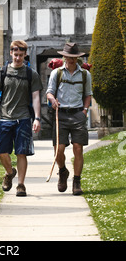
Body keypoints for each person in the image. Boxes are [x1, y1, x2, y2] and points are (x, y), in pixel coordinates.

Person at [0, 40, 42, 197]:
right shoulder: (2, 73)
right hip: (4, 119)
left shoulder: (31, 74)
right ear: (11, 53)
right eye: (15, 55)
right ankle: (10, 172)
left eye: (21, 55)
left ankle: (21, 185)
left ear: (25, 55)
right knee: (2, 152)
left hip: (23, 119)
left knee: (21, 153)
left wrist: (37, 118)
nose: (18, 58)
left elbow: (36, 97)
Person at [46, 42, 93, 195]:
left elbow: (88, 94)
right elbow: (49, 92)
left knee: (78, 149)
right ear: (64, 57)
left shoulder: (85, 75)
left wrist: (85, 111)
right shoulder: (57, 73)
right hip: (61, 114)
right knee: (58, 150)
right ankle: (63, 171)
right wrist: (53, 100)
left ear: (77, 58)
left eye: (73, 57)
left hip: (78, 113)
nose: (71, 60)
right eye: (68, 57)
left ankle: (77, 181)